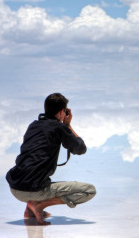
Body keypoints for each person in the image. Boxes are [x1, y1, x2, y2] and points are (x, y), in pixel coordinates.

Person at [6, 93, 96, 225]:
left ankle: (31, 207)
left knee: (37, 175)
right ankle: (39, 205)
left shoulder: (33, 125)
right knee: (89, 190)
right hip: (34, 190)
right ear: (61, 112)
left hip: (15, 187)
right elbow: (80, 148)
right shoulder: (59, 128)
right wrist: (68, 126)